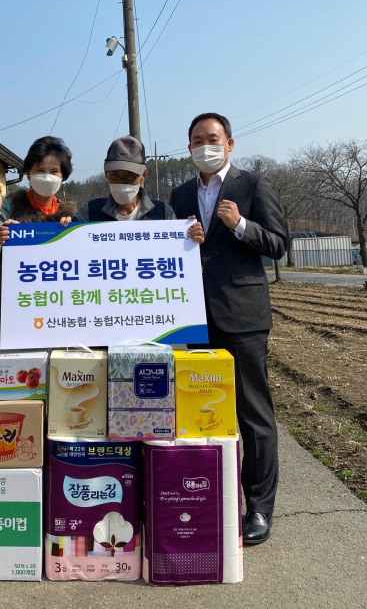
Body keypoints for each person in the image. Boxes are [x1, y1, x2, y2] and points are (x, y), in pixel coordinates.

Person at [170, 112, 286, 545]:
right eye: (198, 139)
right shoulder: (180, 194)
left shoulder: (253, 185)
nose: (206, 146)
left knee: (252, 414)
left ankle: (258, 508)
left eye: (213, 139)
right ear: (188, 148)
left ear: (230, 144)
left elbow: (278, 243)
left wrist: (239, 225)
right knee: (198, 414)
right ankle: (200, 500)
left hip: (242, 316)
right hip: (192, 319)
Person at [0, 136, 75, 344]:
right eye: (39, 170)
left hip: (58, 317)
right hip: (5, 319)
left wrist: (73, 234)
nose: (47, 176)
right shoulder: (7, 208)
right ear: (28, 173)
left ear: (63, 175)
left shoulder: (71, 217)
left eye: (54, 171)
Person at [74, 136, 187, 226]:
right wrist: (64, 227)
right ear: (106, 174)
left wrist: (189, 236)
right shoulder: (88, 213)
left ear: (143, 175)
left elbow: (176, 246)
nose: (121, 181)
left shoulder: (163, 214)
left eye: (130, 176)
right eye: (115, 175)